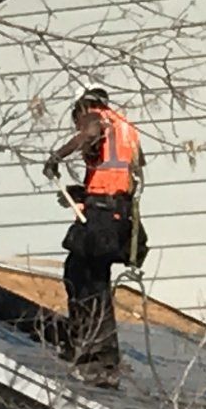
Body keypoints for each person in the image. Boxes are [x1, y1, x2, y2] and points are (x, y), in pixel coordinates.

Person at [42, 86, 146, 386]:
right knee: (88, 276)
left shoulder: (97, 118)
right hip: (116, 214)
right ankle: (97, 351)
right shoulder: (126, 129)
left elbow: (89, 132)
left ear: (85, 105)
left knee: (85, 278)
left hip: (102, 218)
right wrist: (83, 194)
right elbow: (120, 178)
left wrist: (57, 157)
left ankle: (95, 356)